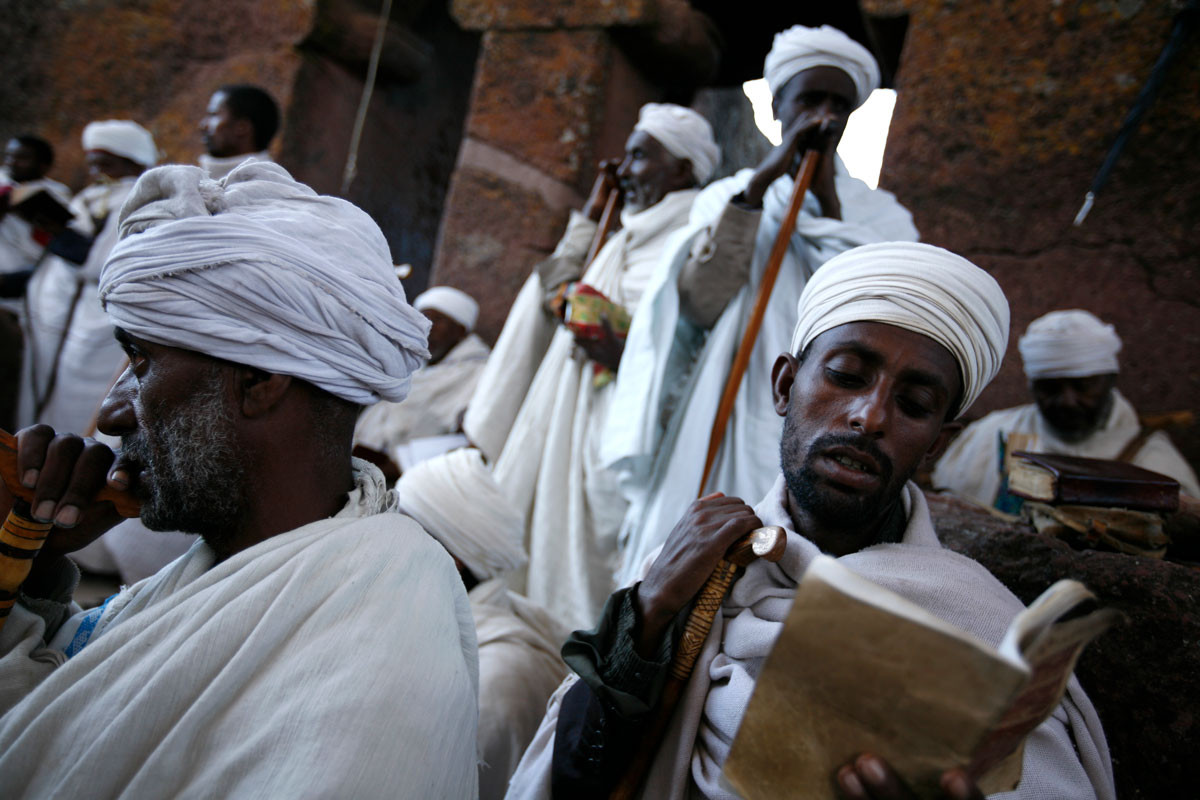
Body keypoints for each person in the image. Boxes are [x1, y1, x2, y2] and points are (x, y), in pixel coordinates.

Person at [507, 242, 1115, 800]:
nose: (869, 416)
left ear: (936, 443)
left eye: (914, 404)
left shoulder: (978, 624)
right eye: (847, 377)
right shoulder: (695, 568)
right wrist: (647, 614)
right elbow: (571, 779)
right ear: (785, 385)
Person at [0, 162, 479, 797]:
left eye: (141, 361)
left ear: (259, 382)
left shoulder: (362, 687)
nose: (112, 413)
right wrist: (26, 567)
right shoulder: (247, 562)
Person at [605, 24, 920, 586]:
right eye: (809, 100)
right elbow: (699, 303)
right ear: (778, 107)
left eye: (839, 103)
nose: (823, 115)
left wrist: (822, 201)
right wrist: (756, 193)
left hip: (821, 409)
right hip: (719, 400)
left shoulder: (880, 217)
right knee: (685, 550)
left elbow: (887, 311)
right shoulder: (723, 199)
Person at [464, 103, 721, 629]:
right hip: (570, 421)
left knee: (596, 564)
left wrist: (585, 313)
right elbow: (558, 291)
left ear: (684, 171)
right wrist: (592, 209)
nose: (625, 169)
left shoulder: (691, 240)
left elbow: (661, 344)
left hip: (623, 438)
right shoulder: (624, 235)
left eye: (640, 157)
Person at [395, 448, 569, 800]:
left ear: (453, 560)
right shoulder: (472, 627)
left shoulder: (494, 683)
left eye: (401, 531)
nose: (388, 547)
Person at [933, 308, 1200, 507]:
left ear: (1110, 381)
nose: (1067, 401)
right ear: (1032, 387)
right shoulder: (989, 437)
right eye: (1050, 389)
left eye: (1082, 386)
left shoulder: (1153, 461)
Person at [17, 121, 158, 435]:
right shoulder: (94, 197)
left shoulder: (135, 200)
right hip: (60, 320)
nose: (96, 172)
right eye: (92, 163)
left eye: (105, 164)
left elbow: (103, 262)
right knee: (48, 396)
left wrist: (62, 237)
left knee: (77, 407)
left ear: (132, 161)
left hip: (93, 323)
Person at [354, 285, 491, 473]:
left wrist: (403, 466)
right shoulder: (412, 367)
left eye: (438, 320)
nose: (428, 328)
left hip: (421, 475)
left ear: (460, 331)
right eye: (423, 319)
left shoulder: (480, 374)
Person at [0, 136, 70, 430]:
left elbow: (57, 247)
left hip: (27, 297)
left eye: (23, 157)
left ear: (44, 165)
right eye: (10, 156)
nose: (13, 163)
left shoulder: (58, 195)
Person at [198, 84, 280, 179]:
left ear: (242, 127)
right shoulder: (196, 184)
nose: (203, 126)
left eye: (214, 115)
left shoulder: (269, 188)